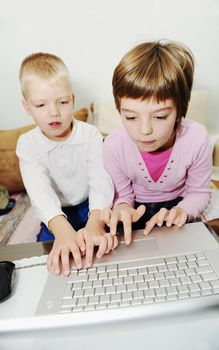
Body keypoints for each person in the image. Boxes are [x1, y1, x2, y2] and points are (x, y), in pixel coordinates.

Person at [16, 52, 118, 276]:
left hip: (89, 205)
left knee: (109, 243)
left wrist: (95, 223)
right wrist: (61, 230)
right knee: (53, 256)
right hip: (55, 212)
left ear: (72, 99)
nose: (54, 112)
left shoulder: (90, 134)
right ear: (27, 107)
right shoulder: (27, 144)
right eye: (41, 105)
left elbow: (100, 179)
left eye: (62, 102)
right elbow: (39, 192)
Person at [102, 40, 212, 245]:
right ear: (119, 110)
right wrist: (122, 208)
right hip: (136, 210)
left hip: (181, 205)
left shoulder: (196, 138)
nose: (144, 130)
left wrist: (183, 211)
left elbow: (199, 192)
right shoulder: (112, 145)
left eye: (160, 117)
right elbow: (123, 195)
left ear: (179, 110)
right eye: (131, 117)